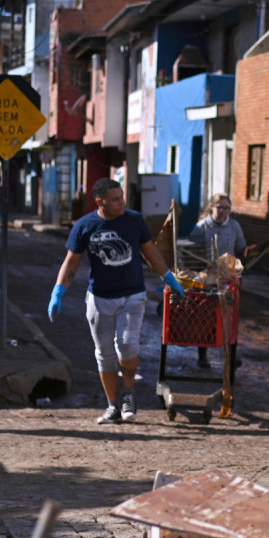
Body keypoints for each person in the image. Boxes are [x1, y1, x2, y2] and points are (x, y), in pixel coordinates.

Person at [48, 177, 186, 424]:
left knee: (127, 345)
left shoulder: (134, 220)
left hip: (132, 295)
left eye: (122, 197)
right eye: (115, 199)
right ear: (100, 202)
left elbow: (150, 252)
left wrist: (168, 277)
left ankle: (129, 393)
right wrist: (58, 291)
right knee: (104, 354)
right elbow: (71, 262)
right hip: (99, 299)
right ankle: (113, 405)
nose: (122, 202)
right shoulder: (84, 225)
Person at [186, 193, 247, 368]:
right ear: (211, 207)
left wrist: (250, 253)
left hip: (228, 278)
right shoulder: (201, 227)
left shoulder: (234, 226)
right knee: (204, 317)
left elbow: (241, 248)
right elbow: (191, 253)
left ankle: (231, 356)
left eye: (227, 208)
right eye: (219, 207)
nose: (223, 211)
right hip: (206, 279)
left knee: (228, 318)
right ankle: (202, 356)